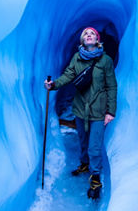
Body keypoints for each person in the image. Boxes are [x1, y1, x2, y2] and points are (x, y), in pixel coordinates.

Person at [44, 27, 117, 199]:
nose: (89, 36)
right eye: (86, 34)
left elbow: (112, 86)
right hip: (80, 109)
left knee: (94, 146)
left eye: (92, 34)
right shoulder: (77, 58)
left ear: (97, 39)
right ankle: (84, 164)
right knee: (83, 140)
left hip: (99, 111)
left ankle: (96, 177)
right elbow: (68, 76)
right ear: (82, 41)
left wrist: (110, 111)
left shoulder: (105, 60)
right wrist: (53, 85)